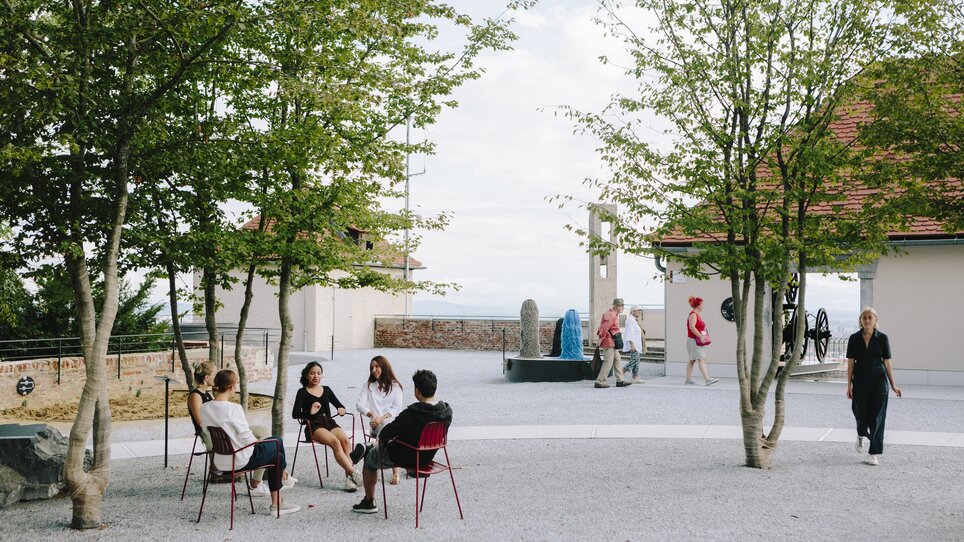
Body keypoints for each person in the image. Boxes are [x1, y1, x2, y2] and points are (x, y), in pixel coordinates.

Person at [351, 369, 453, 514]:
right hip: (427, 456)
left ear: (417, 391)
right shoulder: (447, 412)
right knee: (387, 442)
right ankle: (370, 446)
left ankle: (369, 502)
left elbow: (386, 433)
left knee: (369, 459)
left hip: (404, 456)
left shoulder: (412, 413)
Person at [200, 370, 300, 515]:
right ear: (232, 387)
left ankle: (279, 498)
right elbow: (246, 436)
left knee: (278, 456)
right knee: (277, 443)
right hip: (240, 460)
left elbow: (207, 431)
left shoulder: (204, 408)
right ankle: (282, 483)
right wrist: (257, 442)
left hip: (220, 461)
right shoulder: (234, 408)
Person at [188, 361, 275, 496]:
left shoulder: (209, 394)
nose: (216, 377)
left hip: (222, 431)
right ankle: (259, 478)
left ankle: (259, 475)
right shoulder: (195, 396)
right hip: (210, 435)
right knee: (271, 445)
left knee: (263, 431)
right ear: (206, 378)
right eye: (214, 374)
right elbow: (201, 423)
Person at [291, 361, 363, 492]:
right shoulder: (302, 392)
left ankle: (349, 479)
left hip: (329, 422)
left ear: (322, 375)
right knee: (335, 442)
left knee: (346, 441)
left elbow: (339, 405)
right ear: (306, 375)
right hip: (314, 425)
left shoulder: (327, 389)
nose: (315, 376)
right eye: (312, 373)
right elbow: (295, 414)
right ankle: (353, 472)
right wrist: (310, 413)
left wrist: (341, 409)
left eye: (318, 373)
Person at [847, 307, 902, 466]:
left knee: (877, 417)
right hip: (861, 380)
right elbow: (850, 363)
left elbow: (887, 362)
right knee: (860, 413)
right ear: (860, 320)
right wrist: (849, 385)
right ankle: (860, 434)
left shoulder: (883, 338)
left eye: (870, 317)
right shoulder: (854, 338)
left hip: (879, 381)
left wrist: (893, 385)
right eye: (864, 317)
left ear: (875, 320)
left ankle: (873, 453)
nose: (867, 320)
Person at [355, 355, 404, 485]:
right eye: (371, 367)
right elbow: (359, 404)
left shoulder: (395, 386)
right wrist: (372, 414)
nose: (373, 370)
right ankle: (395, 470)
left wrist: (381, 418)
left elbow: (397, 408)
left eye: (377, 366)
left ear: (384, 367)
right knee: (385, 429)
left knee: (387, 427)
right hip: (375, 425)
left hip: (391, 423)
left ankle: (370, 447)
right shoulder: (368, 386)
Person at [595, 298, 630, 388]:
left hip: (612, 342)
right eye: (622, 306)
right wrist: (600, 339)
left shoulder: (608, 313)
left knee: (617, 360)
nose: (623, 308)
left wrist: (600, 337)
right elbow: (604, 328)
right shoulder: (612, 315)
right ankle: (599, 381)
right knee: (608, 362)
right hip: (609, 342)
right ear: (617, 306)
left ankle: (620, 381)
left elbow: (601, 327)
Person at [685, 296, 719, 386]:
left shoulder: (696, 314)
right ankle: (707, 379)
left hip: (694, 340)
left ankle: (688, 380)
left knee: (692, 360)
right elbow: (692, 327)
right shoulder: (693, 314)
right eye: (702, 304)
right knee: (702, 359)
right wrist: (700, 336)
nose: (703, 306)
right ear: (698, 305)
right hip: (694, 341)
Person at [622, 305, 647, 384]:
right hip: (634, 345)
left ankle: (635, 377)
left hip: (637, 344)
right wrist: (632, 344)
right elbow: (630, 333)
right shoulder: (630, 320)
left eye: (640, 310)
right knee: (634, 360)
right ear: (633, 311)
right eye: (637, 310)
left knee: (637, 361)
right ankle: (621, 372)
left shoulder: (635, 320)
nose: (639, 312)